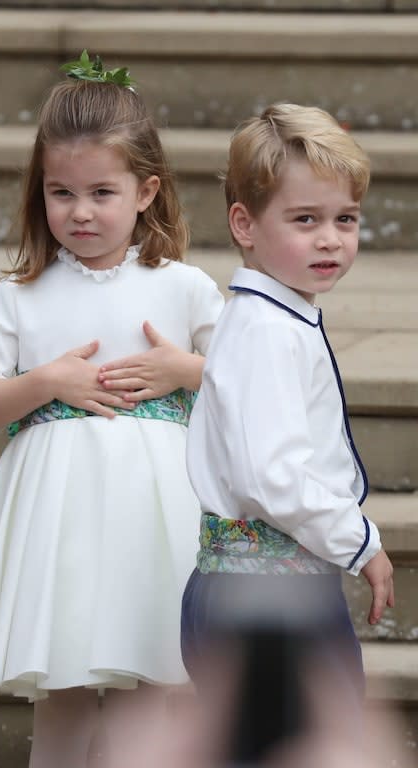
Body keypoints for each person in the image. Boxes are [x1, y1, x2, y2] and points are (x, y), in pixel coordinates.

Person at [0, 52, 224, 768]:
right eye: (61, 193)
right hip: (56, 525)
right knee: (62, 689)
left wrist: (183, 369)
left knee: (149, 694)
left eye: (102, 191)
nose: (81, 211)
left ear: (146, 191)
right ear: (40, 193)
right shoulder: (19, 297)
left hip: (153, 520)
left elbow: (250, 384)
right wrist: (45, 382)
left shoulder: (184, 288)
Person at [181, 103, 394, 759]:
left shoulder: (272, 317)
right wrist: (358, 540)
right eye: (306, 220)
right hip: (269, 596)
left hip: (258, 584)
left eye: (344, 220)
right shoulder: (269, 332)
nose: (330, 239)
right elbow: (273, 474)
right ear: (244, 224)